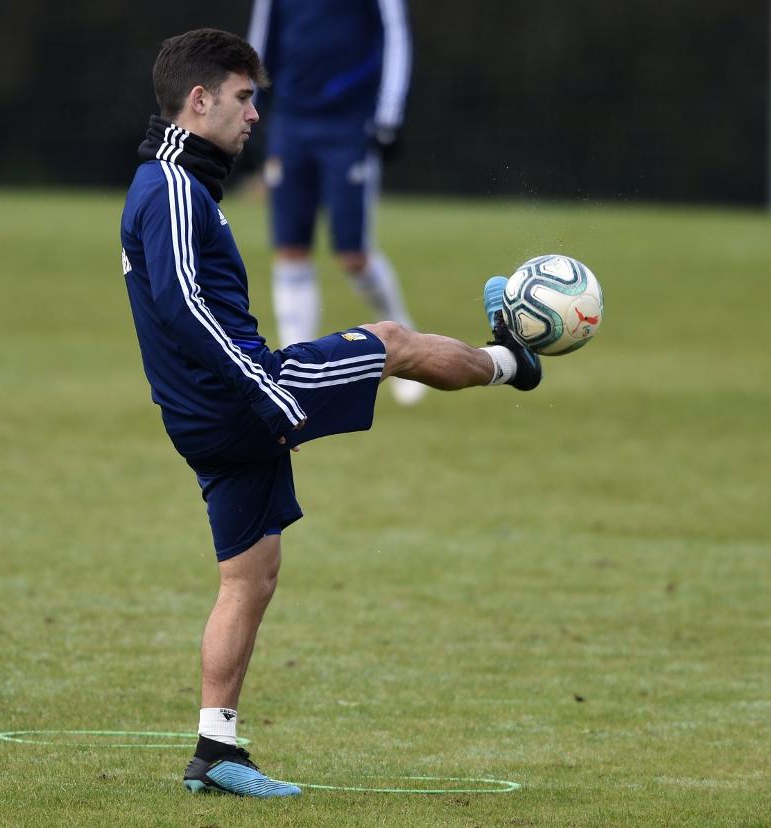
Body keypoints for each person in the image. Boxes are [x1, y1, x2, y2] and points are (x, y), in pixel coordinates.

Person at [120, 28, 541, 798]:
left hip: (208, 413)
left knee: (250, 574)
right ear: (199, 100)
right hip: (240, 400)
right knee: (390, 342)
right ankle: (513, 359)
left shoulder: (170, 182)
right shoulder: (173, 190)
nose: (254, 117)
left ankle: (215, 753)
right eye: (245, 99)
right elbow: (181, 307)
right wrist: (269, 393)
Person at [246, 0, 427, 405]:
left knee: (353, 255)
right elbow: (259, 44)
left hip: (349, 124)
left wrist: (389, 115)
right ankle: (297, 376)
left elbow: (396, 36)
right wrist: (251, 107)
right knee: (290, 249)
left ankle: (406, 345)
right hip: (291, 122)